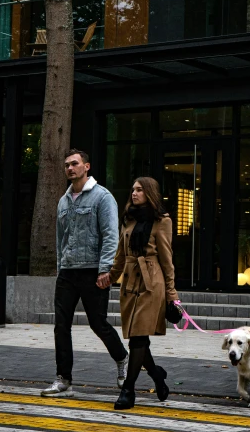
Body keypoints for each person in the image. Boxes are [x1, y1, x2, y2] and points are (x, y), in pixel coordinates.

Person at [42, 149, 129, 397]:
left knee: (98, 324)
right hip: (68, 273)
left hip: (93, 271)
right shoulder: (63, 201)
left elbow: (112, 236)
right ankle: (63, 379)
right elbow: (61, 240)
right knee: (61, 326)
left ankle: (122, 358)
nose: (70, 168)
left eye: (75, 164)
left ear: (86, 166)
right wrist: (60, 269)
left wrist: (106, 270)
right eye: (67, 165)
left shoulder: (103, 198)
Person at [109, 177, 178, 410]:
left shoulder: (162, 221)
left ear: (150, 193)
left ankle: (128, 390)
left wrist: (172, 294)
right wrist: (109, 277)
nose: (134, 193)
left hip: (151, 283)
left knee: (139, 337)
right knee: (138, 338)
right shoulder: (128, 219)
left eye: (139, 189)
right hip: (129, 282)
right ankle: (157, 375)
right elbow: (120, 254)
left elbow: (167, 261)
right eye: (133, 189)